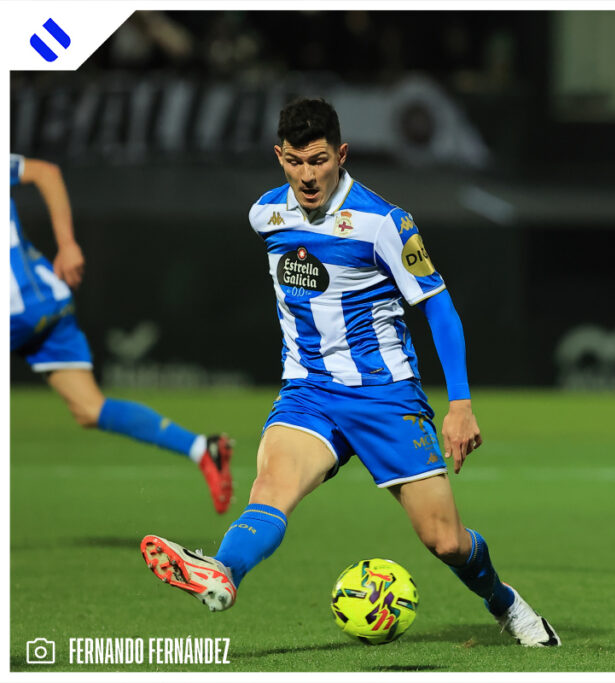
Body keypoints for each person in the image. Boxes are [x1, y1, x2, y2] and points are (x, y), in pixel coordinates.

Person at [139, 97, 560, 647]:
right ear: (279, 157)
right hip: (309, 391)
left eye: (318, 161)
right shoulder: (265, 214)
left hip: (385, 397)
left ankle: (507, 605)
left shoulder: (384, 222)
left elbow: (438, 305)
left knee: (446, 542)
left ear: (341, 154)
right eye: (295, 162)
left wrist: (460, 404)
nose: (307, 176)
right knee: (270, 488)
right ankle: (222, 572)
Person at [9, 154, 233, 513]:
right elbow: (45, 171)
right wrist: (67, 245)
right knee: (89, 408)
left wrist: (67, 245)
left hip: (18, 308)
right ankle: (200, 448)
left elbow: (45, 172)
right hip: (47, 298)